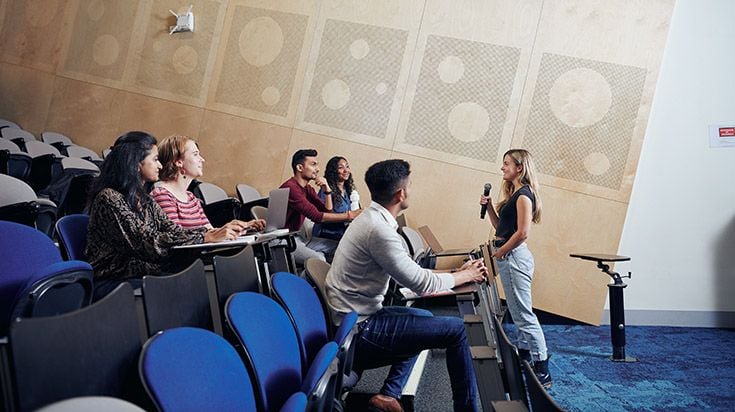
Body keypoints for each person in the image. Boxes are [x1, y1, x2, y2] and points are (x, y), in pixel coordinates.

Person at [326, 159, 487, 412]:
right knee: (458, 330)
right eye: (409, 185)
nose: (411, 189)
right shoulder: (378, 230)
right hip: (359, 331)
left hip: (358, 319)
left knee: (422, 317)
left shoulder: (372, 219)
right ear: (401, 193)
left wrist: (458, 272)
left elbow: (413, 273)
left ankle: (389, 394)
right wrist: (464, 277)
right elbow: (420, 282)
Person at [86, 131, 239, 300]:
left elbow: (172, 230)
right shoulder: (109, 198)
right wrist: (203, 238)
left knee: (197, 279)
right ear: (136, 163)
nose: (160, 165)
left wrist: (208, 234)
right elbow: (146, 243)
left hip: (144, 272)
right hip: (114, 279)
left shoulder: (145, 199)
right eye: (155, 159)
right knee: (189, 285)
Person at [479, 148, 552, 388]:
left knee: (523, 314)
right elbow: (501, 227)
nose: (502, 167)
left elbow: (522, 233)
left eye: (506, 163)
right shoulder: (515, 195)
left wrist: (501, 251)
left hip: (513, 257)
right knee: (517, 311)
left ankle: (543, 368)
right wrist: (489, 207)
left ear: (520, 168)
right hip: (509, 256)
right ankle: (525, 357)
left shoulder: (523, 195)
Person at [151, 134, 265, 235]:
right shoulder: (162, 195)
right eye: (195, 154)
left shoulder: (191, 198)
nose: (202, 159)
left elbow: (209, 232)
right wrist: (221, 232)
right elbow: (176, 237)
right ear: (178, 161)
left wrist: (242, 228)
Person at [279, 149, 361, 264]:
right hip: (284, 241)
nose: (317, 169)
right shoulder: (291, 188)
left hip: (300, 238)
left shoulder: (307, 188)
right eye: (313, 165)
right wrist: (349, 215)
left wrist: (327, 189)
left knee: (344, 250)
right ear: (300, 168)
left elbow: (327, 211)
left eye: (317, 165)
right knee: (319, 260)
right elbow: (317, 217)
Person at [313, 156, 358, 240]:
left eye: (347, 166)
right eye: (341, 168)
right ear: (333, 171)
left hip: (341, 235)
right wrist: (348, 216)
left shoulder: (348, 191)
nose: (346, 170)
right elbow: (322, 216)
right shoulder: (325, 190)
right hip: (326, 236)